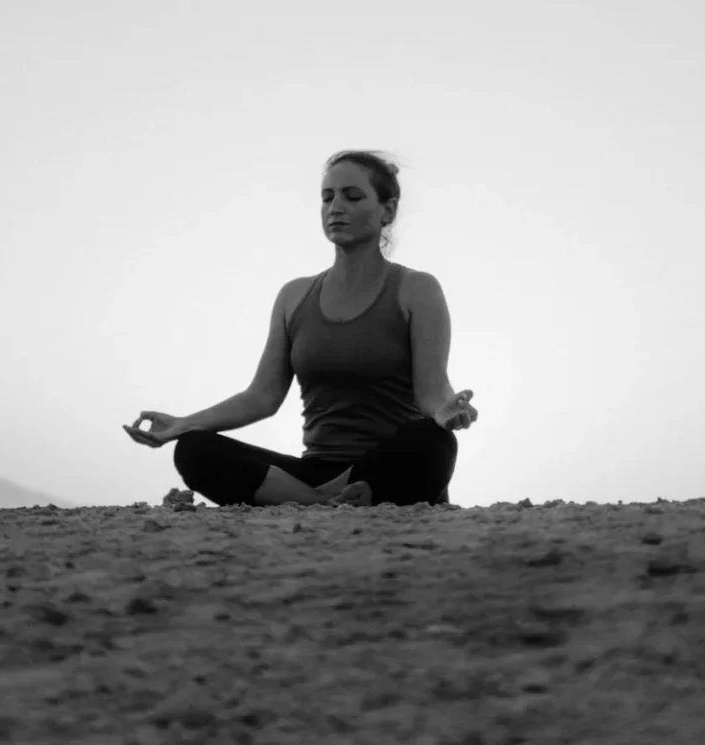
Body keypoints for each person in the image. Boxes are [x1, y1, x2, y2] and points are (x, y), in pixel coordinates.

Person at [122, 150, 479, 507]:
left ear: (388, 210)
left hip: (390, 465)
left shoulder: (417, 289)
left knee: (434, 440)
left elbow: (431, 389)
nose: (335, 207)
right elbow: (261, 396)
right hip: (313, 470)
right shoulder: (294, 297)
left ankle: (335, 496)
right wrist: (183, 424)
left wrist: (445, 410)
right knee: (195, 449)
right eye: (327, 197)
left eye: (352, 197)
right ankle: (329, 500)